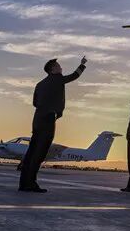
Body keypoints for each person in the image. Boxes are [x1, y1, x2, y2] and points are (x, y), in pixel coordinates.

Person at [19, 56, 87, 193]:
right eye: (58, 66)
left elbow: (35, 103)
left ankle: (24, 183)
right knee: (40, 153)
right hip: (48, 119)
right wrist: (82, 65)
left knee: (32, 151)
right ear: (53, 69)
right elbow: (74, 75)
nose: (61, 67)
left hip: (37, 119)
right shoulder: (57, 79)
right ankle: (30, 184)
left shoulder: (40, 84)